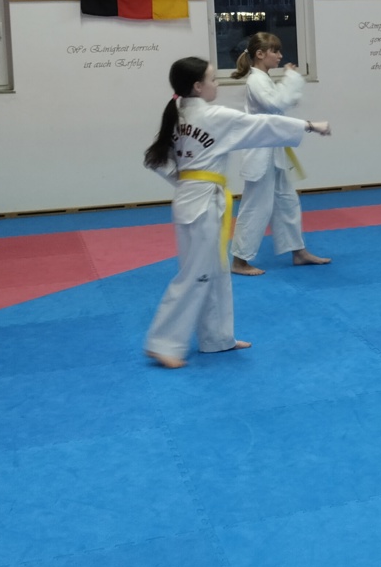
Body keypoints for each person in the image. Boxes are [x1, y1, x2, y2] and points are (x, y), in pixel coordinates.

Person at [141, 56, 331, 368]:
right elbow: (261, 124)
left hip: (194, 199)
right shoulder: (212, 116)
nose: (217, 84)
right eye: (213, 79)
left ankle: (217, 339)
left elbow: (155, 160)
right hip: (201, 203)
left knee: (216, 272)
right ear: (198, 86)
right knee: (196, 273)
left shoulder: (178, 114)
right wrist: (309, 126)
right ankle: (162, 343)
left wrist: (185, 181)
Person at [227, 32, 331, 276]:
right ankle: (240, 260)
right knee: (256, 206)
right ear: (260, 54)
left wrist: (289, 82)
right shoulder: (256, 80)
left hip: (273, 151)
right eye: (275, 51)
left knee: (287, 202)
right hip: (260, 153)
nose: (280, 56)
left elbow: (280, 104)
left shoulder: (263, 79)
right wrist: (291, 79)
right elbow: (275, 104)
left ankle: (298, 251)